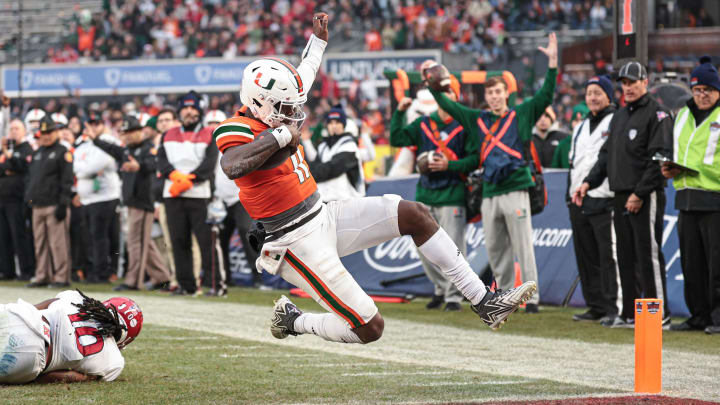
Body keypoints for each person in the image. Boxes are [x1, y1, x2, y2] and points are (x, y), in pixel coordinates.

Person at [216, 13, 536, 345]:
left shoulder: (277, 104)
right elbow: (232, 165)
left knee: (414, 214)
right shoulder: (234, 128)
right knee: (370, 327)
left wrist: (319, 42)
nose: (292, 112)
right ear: (257, 103)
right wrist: (281, 136)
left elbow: (305, 75)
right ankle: (294, 321)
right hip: (294, 240)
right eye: (283, 106)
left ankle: (484, 302)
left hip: (322, 214)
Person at [427, 33, 559, 313]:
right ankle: (508, 299)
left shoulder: (521, 114)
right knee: (497, 251)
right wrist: (433, 85)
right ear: (486, 97)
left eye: (498, 92)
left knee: (523, 247)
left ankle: (532, 299)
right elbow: (449, 104)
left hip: (515, 188)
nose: (495, 96)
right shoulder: (477, 119)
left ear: (506, 94)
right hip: (489, 192)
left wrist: (552, 64)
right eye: (490, 93)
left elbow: (546, 94)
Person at [574, 61, 672, 328]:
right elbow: (606, 156)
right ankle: (629, 313)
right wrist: (588, 182)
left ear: (645, 82)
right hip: (619, 195)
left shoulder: (658, 114)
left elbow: (660, 159)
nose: (627, 88)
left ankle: (658, 314)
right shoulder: (619, 116)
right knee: (625, 256)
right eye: (624, 83)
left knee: (647, 254)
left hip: (645, 195)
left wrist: (640, 193)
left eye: (632, 82)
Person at [390, 80, 469, 312]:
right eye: (442, 93)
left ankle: (454, 295)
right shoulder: (424, 123)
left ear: (456, 96)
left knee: (453, 248)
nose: (445, 97)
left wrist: (450, 165)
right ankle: (441, 288)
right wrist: (400, 112)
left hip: (453, 194)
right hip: (426, 193)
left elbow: (475, 159)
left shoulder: (464, 124)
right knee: (424, 248)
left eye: (449, 93)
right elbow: (397, 139)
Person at [662, 57, 720, 335]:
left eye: (708, 89)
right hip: (685, 197)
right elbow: (677, 150)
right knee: (691, 264)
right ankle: (698, 315)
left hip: (714, 199)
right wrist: (669, 166)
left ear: (717, 91)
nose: (702, 94)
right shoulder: (682, 114)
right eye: (697, 89)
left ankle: (717, 317)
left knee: (716, 265)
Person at [90, 115, 171, 292]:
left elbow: (153, 164)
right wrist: (95, 139)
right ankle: (163, 277)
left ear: (140, 131)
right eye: (124, 132)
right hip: (132, 202)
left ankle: (133, 281)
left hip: (143, 202)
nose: (126, 136)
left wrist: (139, 166)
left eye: (130, 132)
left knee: (136, 243)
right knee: (144, 244)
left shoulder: (148, 148)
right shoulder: (127, 150)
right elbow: (112, 148)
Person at [0, 289, 142, 383]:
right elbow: (74, 377)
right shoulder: (114, 363)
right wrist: (38, 377)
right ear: (126, 338)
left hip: (20, 317)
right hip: (31, 356)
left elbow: (44, 305)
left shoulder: (76, 298)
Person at [158, 91, 222, 296]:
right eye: (185, 108)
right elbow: (161, 162)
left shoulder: (209, 133)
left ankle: (215, 285)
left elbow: (209, 164)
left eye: (193, 108)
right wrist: (177, 176)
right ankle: (187, 285)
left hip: (199, 194)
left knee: (206, 242)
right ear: (179, 111)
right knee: (179, 242)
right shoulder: (167, 135)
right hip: (173, 195)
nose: (189, 111)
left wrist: (187, 180)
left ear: (199, 110)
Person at [567, 75, 619, 322]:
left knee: (607, 255)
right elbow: (573, 162)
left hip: (603, 195)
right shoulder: (579, 126)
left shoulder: (615, 120)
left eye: (598, 92)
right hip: (578, 199)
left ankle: (612, 306)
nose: (593, 98)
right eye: (589, 93)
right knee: (586, 255)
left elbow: (607, 160)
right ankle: (595, 304)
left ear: (609, 95)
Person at [25, 116, 74, 288]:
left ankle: (61, 277)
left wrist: (63, 203)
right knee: (40, 244)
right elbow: (31, 179)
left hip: (55, 204)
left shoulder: (63, 152)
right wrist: (28, 199)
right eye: (43, 132)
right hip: (37, 205)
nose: (46, 136)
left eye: (49, 132)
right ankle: (42, 276)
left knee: (57, 244)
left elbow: (67, 180)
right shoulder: (37, 153)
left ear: (56, 132)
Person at [74, 110, 122, 284]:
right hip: (88, 199)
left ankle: (103, 273)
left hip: (106, 197)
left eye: (97, 124)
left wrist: (84, 169)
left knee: (103, 237)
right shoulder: (84, 144)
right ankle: (95, 270)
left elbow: (91, 167)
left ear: (103, 125)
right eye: (91, 124)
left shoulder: (109, 141)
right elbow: (76, 165)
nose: (93, 127)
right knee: (92, 237)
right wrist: (84, 169)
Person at [0, 119, 36, 281]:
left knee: (19, 236)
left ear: (24, 131)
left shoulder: (26, 148)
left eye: (17, 128)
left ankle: (26, 271)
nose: (13, 131)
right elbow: (4, 168)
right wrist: (9, 165)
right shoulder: (5, 149)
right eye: (12, 128)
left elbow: (23, 166)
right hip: (3, 198)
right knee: (3, 236)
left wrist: (10, 161)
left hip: (17, 199)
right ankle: (7, 270)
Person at [308, 105, 366, 203]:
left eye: (337, 122)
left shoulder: (349, 144)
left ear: (343, 124)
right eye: (330, 123)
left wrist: (311, 174)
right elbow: (314, 167)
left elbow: (333, 168)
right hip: (324, 200)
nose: (334, 126)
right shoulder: (323, 146)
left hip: (347, 200)